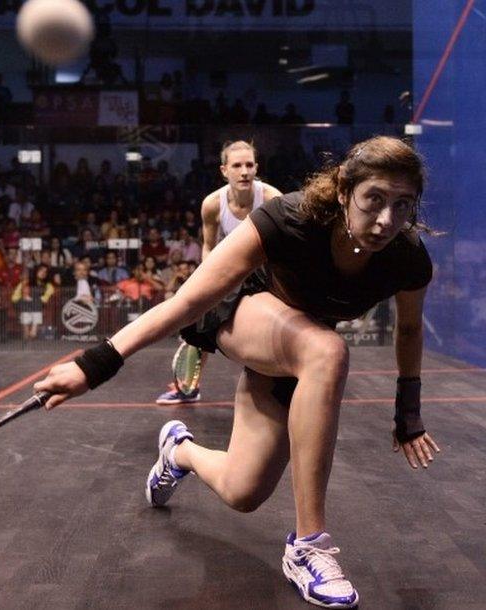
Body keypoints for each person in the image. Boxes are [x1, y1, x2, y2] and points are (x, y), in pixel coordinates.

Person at [34, 136, 438, 609]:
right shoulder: (290, 218)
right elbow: (187, 300)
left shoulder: (407, 256)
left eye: (402, 205)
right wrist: (94, 365)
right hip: (241, 313)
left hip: (293, 348)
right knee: (329, 351)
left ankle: (178, 452)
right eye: (375, 200)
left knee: (243, 491)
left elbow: (409, 331)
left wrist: (408, 414)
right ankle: (308, 546)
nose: (386, 220)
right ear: (346, 189)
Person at [155, 140, 282, 405]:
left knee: (272, 328)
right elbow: (208, 248)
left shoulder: (272, 199)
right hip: (230, 270)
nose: (244, 171)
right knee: (196, 320)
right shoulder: (212, 204)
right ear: (225, 170)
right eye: (237, 165)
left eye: (249, 165)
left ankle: (278, 386)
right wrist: (209, 288)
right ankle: (188, 387)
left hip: (267, 272)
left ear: (257, 168)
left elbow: (285, 249)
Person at [12, 264, 54, 340]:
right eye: (41, 270)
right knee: (26, 307)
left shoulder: (48, 285)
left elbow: (46, 297)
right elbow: (16, 295)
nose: (43, 273)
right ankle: (26, 333)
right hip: (24, 303)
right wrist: (22, 299)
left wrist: (35, 299)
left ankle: (33, 331)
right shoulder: (26, 281)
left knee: (37, 305)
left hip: (37, 304)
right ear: (36, 271)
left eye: (45, 272)